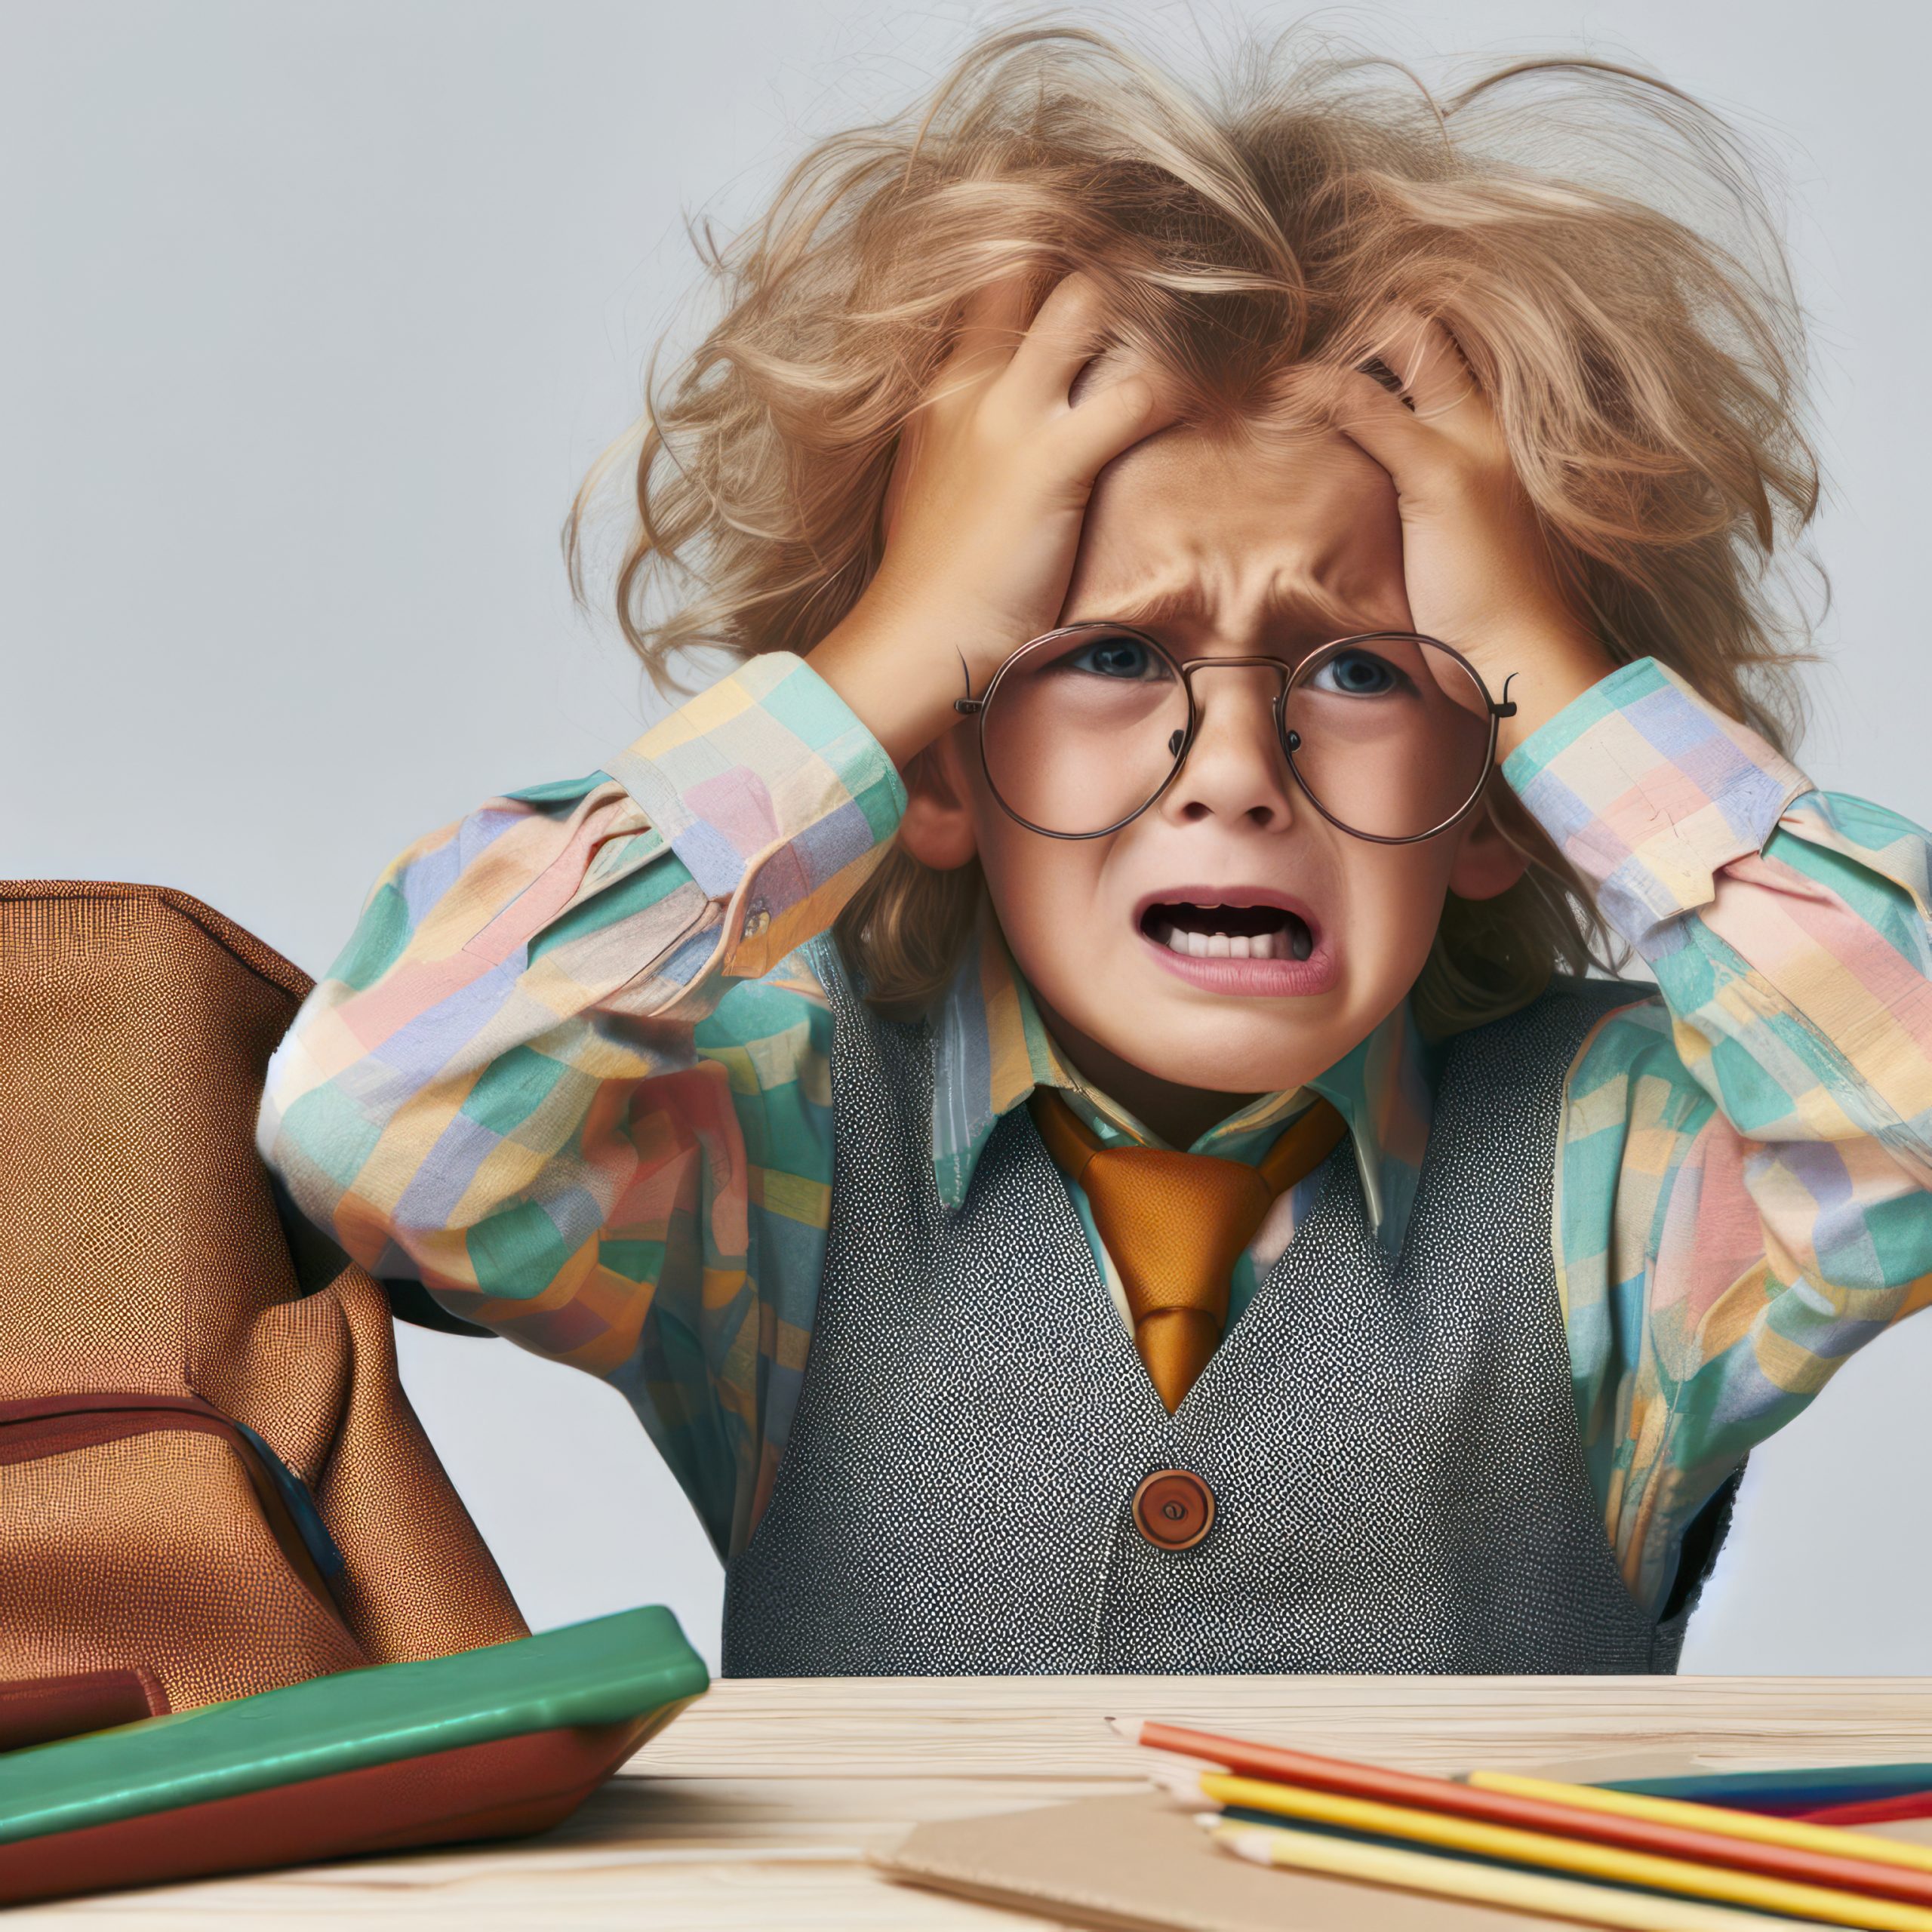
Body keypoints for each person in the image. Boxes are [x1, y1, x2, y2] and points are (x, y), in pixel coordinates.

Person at [257, 24, 1932, 1674]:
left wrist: (1554, 683)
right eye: (1112, 656)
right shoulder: (773, 1139)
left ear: (1495, 789)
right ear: (933, 761)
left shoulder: (1623, 1165)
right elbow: (381, 1116)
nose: (1235, 769)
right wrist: (890, 658)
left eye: (1356, 669)